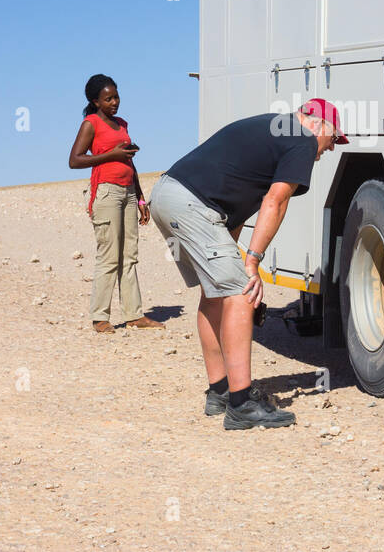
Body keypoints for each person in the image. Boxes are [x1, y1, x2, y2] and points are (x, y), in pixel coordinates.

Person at [148, 99, 346, 430]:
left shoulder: (274, 130)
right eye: (333, 139)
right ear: (319, 124)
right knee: (241, 291)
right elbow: (276, 201)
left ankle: (220, 393)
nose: (328, 149)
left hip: (168, 196)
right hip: (191, 204)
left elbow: (235, 209)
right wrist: (252, 263)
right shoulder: (301, 138)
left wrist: (238, 257)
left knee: (216, 294)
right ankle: (241, 405)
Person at [68, 74, 162, 333]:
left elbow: (129, 162)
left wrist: (141, 197)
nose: (114, 102)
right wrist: (111, 154)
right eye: (108, 99)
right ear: (95, 101)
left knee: (129, 256)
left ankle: (134, 315)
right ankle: (100, 317)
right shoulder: (91, 123)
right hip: (106, 193)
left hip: (129, 192)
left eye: (116, 97)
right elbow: (74, 160)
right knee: (109, 256)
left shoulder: (122, 124)